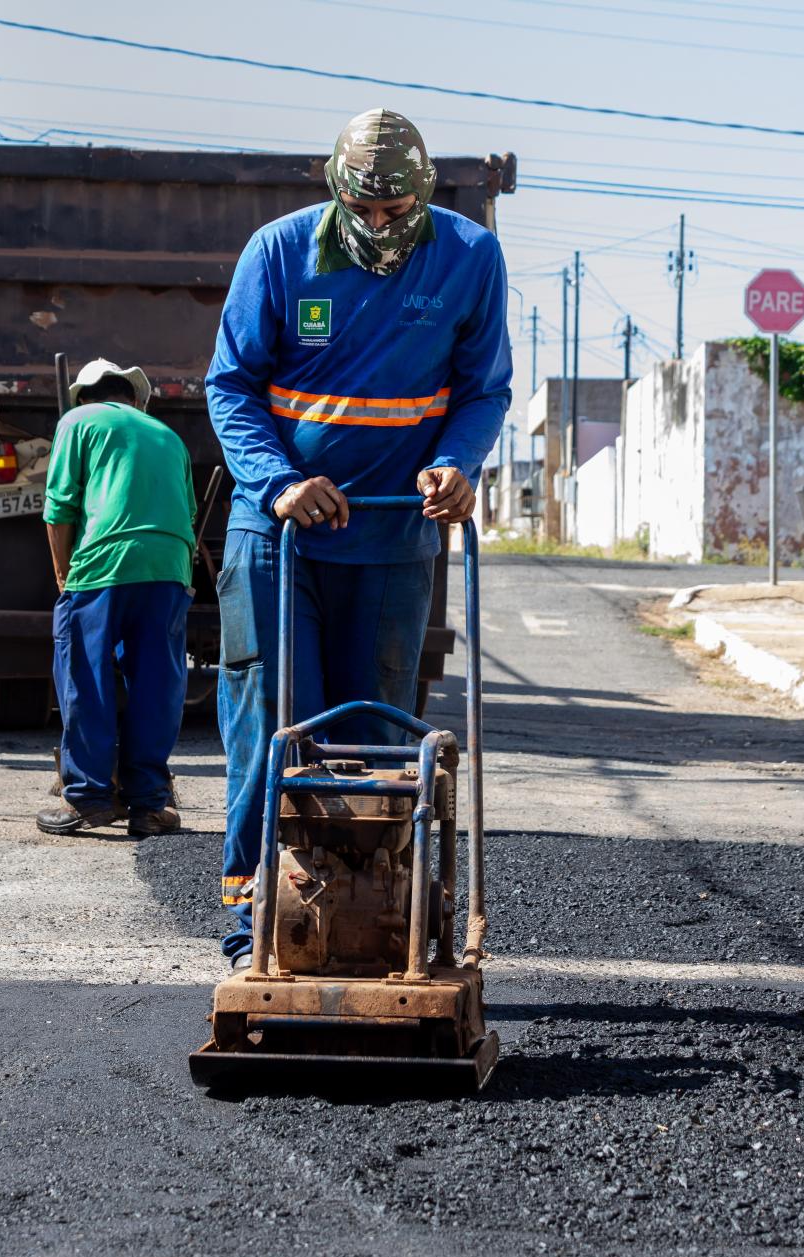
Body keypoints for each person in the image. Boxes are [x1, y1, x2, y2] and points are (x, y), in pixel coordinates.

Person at [205, 108, 511, 969]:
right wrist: (281, 484)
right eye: (364, 209)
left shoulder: (468, 257)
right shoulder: (278, 251)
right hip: (281, 537)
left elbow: (483, 389)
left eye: (397, 210)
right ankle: (253, 924)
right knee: (273, 729)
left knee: (375, 737)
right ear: (335, 190)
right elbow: (230, 385)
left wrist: (456, 464)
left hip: (389, 535)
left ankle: (373, 920)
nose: (380, 225)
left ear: (425, 195)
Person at [37, 359, 196, 838]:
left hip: (105, 561)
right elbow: (186, 511)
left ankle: (86, 796)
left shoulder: (77, 420)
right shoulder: (167, 435)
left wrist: (65, 576)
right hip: (170, 565)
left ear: (85, 394)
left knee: (84, 674)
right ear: (133, 395)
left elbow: (59, 506)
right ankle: (149, 803)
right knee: (155, 682)